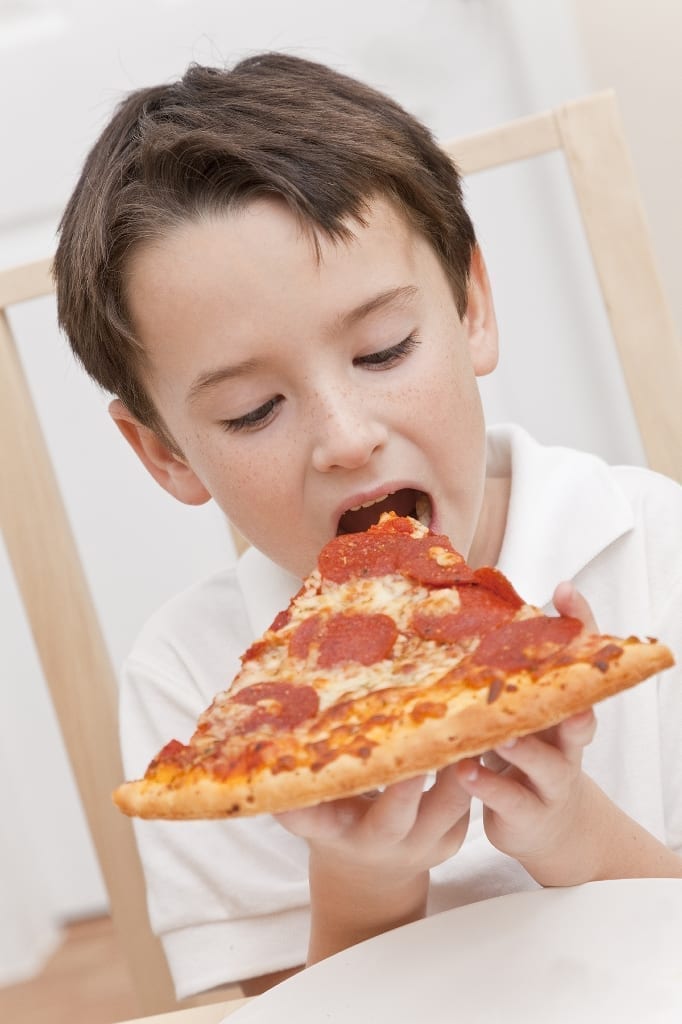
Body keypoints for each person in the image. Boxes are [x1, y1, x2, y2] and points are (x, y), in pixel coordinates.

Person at [53, 52, 682, 999]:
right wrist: (362, 884)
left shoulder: (654, 544)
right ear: (167, 455)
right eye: (254, 411)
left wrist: (572, 833)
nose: (346, 440)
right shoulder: (198, 686)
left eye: (383, 350)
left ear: (471, 306)